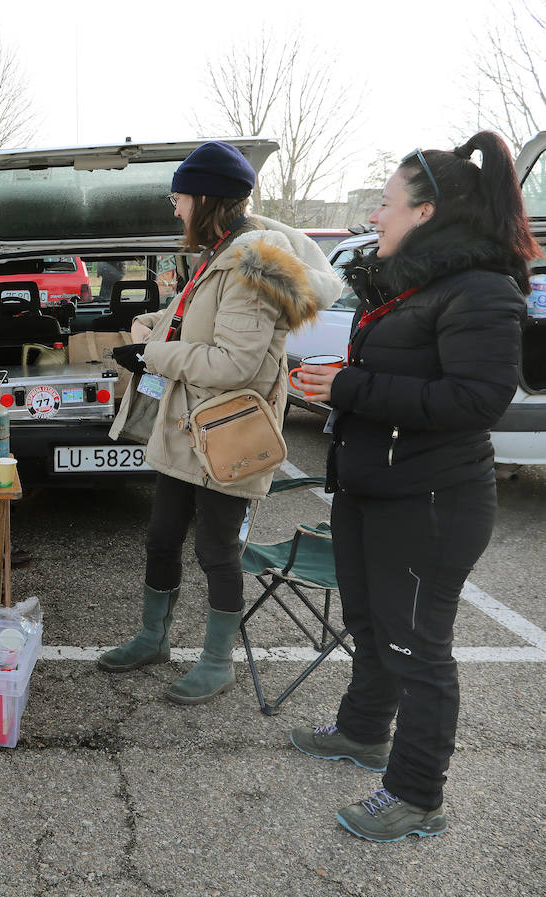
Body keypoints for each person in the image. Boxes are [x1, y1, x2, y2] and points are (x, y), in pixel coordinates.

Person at [288, 133, 533, 843]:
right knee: (370, 625)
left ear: (426, 213)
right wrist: (341, 383)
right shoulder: (417, 286)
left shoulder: (482, 289)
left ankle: (418, 794)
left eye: (388, 202)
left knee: (417, 648)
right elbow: (411, 377)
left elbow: (478, 399)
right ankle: (364, 731)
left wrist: (350, 383)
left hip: (432, 500)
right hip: (378, 488)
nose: (376, 213)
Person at [101, 141, 342, 705]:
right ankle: (152, 638)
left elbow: (234, 364)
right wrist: (153, 324)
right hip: (188, 428)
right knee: (161, 537)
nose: (175, 208)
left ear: (205, 197)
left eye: (179, 197)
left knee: (215, 549)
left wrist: (155, 357)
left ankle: (217, 661)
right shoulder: (220, 251)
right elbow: (198, 324)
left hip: (228, 432)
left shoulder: (251, 264)